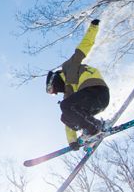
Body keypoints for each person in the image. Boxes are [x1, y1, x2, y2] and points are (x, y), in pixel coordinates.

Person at [46, 18, 110, 149]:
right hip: (95, 103)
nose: (56, 92)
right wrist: (72, 141)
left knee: (66, 105)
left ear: (54, 80)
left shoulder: (70, 66)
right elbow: (68, 120)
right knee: (65, 117)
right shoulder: (70, 93)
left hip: (95, 90)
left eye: (51, 90)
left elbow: (84, 47)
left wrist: (93, 28)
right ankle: (90, 132)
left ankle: (94, 127)